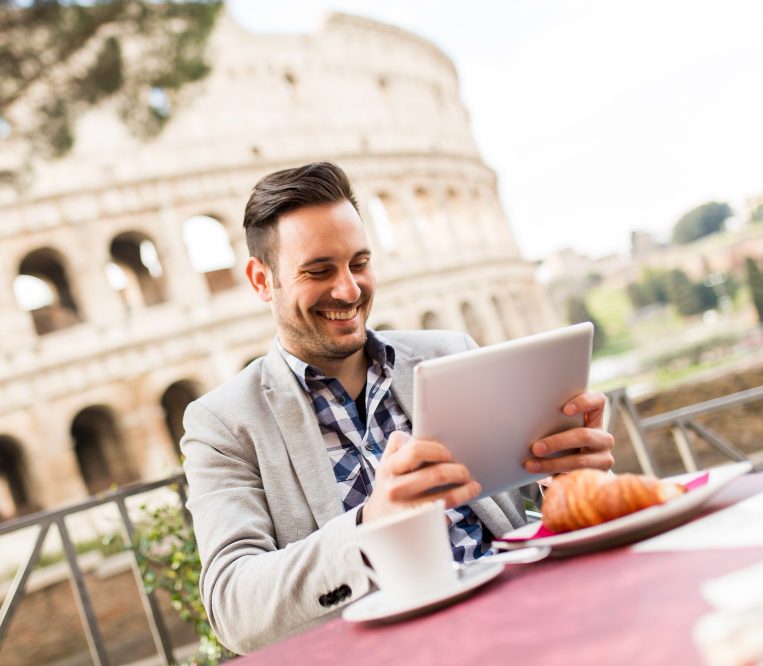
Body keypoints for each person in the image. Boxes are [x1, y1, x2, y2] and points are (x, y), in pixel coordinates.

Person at [180, 162, 615, 653]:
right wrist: (371, 526)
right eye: (319, 271)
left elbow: (535, 516)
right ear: (262, 280)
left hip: (532, 623)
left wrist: (566, 477)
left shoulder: (450, 352)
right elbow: (234, 610)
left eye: (359, 263)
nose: (348, 290)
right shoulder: (222, 424)